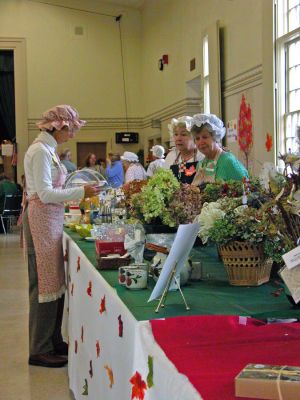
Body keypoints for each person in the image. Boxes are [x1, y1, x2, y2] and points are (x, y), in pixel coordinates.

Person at [23, 105, 101, 368]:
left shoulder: (47, 150)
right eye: (71, 129)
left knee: (54, 282)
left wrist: (79, 190)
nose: (73, 134)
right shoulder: (39, 152)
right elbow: (44, 194)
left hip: (50, 220)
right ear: (60, 127)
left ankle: (53, 340)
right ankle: (39, 348)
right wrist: (81, 193)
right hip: (41, 221)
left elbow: (52, 189)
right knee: (43, 284)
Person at [190, 113, 249, 185]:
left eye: (205, 137)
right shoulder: (200, 164)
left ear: (215, 137)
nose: (201, 142)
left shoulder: (228, 162)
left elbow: (246, 189)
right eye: (197, 138)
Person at [165, 116, 204, 183]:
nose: (178, 138)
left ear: (194, 137)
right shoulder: (171, 157)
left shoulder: (202, 156)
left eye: (183, 134)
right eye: (176, 134)